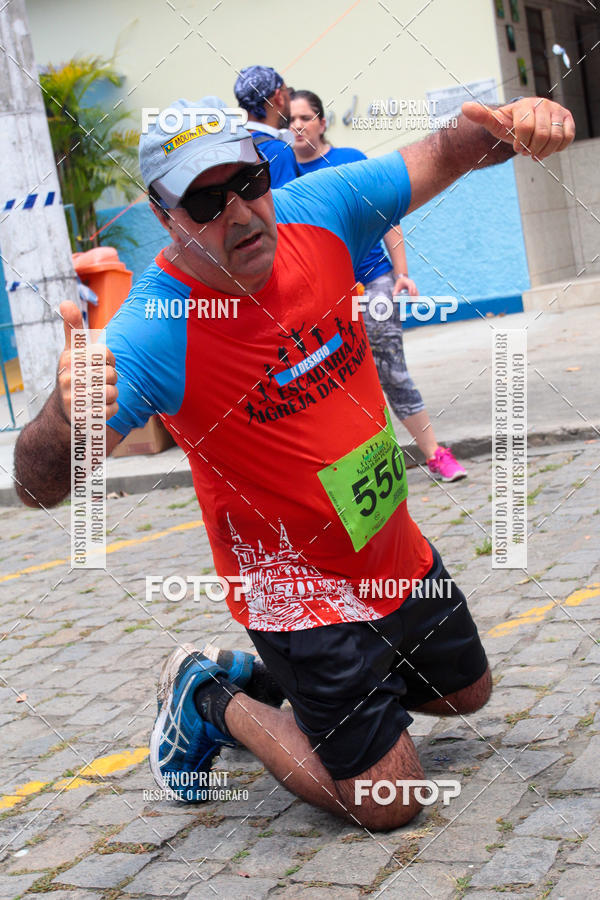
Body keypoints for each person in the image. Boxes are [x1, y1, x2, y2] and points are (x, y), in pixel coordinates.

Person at [14, 94, 574, 830]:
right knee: (388, 799)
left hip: (386, 542)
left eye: (249, 182)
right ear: (164, 214)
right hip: (291, 584)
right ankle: (209, 694)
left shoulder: (324, 207)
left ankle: (306, 685)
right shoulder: (154, 331)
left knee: (464, 697)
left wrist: (511, 120)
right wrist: (63, 416)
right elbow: (36, 487)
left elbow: (449, 148)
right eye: (206, 200)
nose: (241, 213)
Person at [290, 89, 467, 481]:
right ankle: (360, 469)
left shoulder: (349, 162)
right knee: (333, 382)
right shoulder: (282, 172)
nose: (297, 126)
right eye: (291, 120)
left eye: (305, 118)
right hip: (321, 295)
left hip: (372, 283)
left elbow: (386, 217)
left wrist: (402, 272)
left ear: (321, 122)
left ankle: (436, 453)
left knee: (391, 369)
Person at [233, 65, 300, 188]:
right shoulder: (278, 150)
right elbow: (283, 206)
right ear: (279, 97)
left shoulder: (232, 144)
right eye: (287, 91)